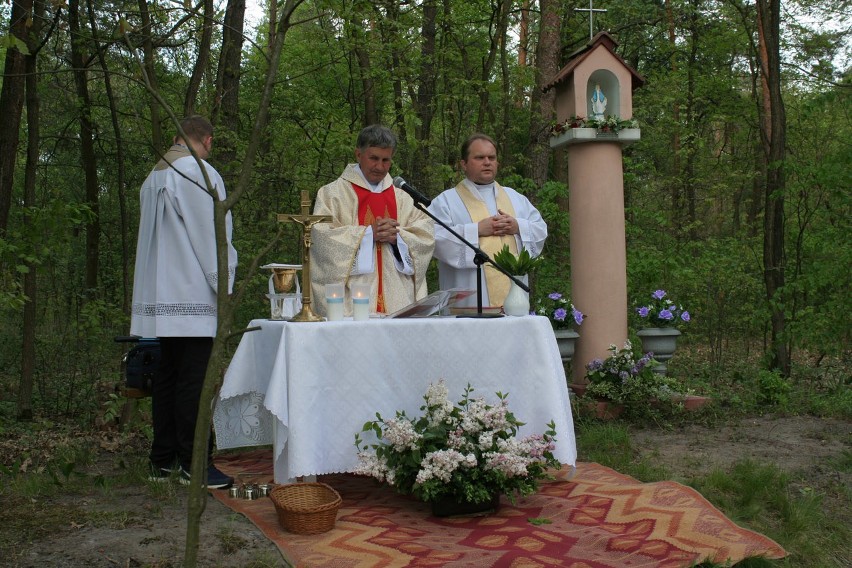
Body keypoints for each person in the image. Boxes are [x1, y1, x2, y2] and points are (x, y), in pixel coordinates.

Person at [130, 116, 237, 489]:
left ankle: (162, 461)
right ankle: (196, 464)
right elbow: (211, 235)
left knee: (167, 377)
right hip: (191, 294)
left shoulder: (155, 173)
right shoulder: (198, 171)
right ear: (206, 139)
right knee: (194, 380)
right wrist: (223, 282)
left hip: (163, 294)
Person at [310, 125, 434, 315]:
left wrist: (398, 237)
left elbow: (425, 234)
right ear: (358, 154)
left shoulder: (404, 197)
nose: (380, 166)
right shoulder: (332, 194)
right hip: (350, 303)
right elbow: (322, 238)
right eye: (374, 158)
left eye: (386, 160)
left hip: (399, 299)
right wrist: (367, 234)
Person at [428, 134, 547, 309]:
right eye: (479, 157)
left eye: (491, 157)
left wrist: (518, 226)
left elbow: (540, 230)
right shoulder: (446, 201)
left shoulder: (515, 198)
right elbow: (433, 238)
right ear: (464, 164)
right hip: (467, 304)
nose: (487, 162)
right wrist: (475, 230)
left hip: (513, 305)